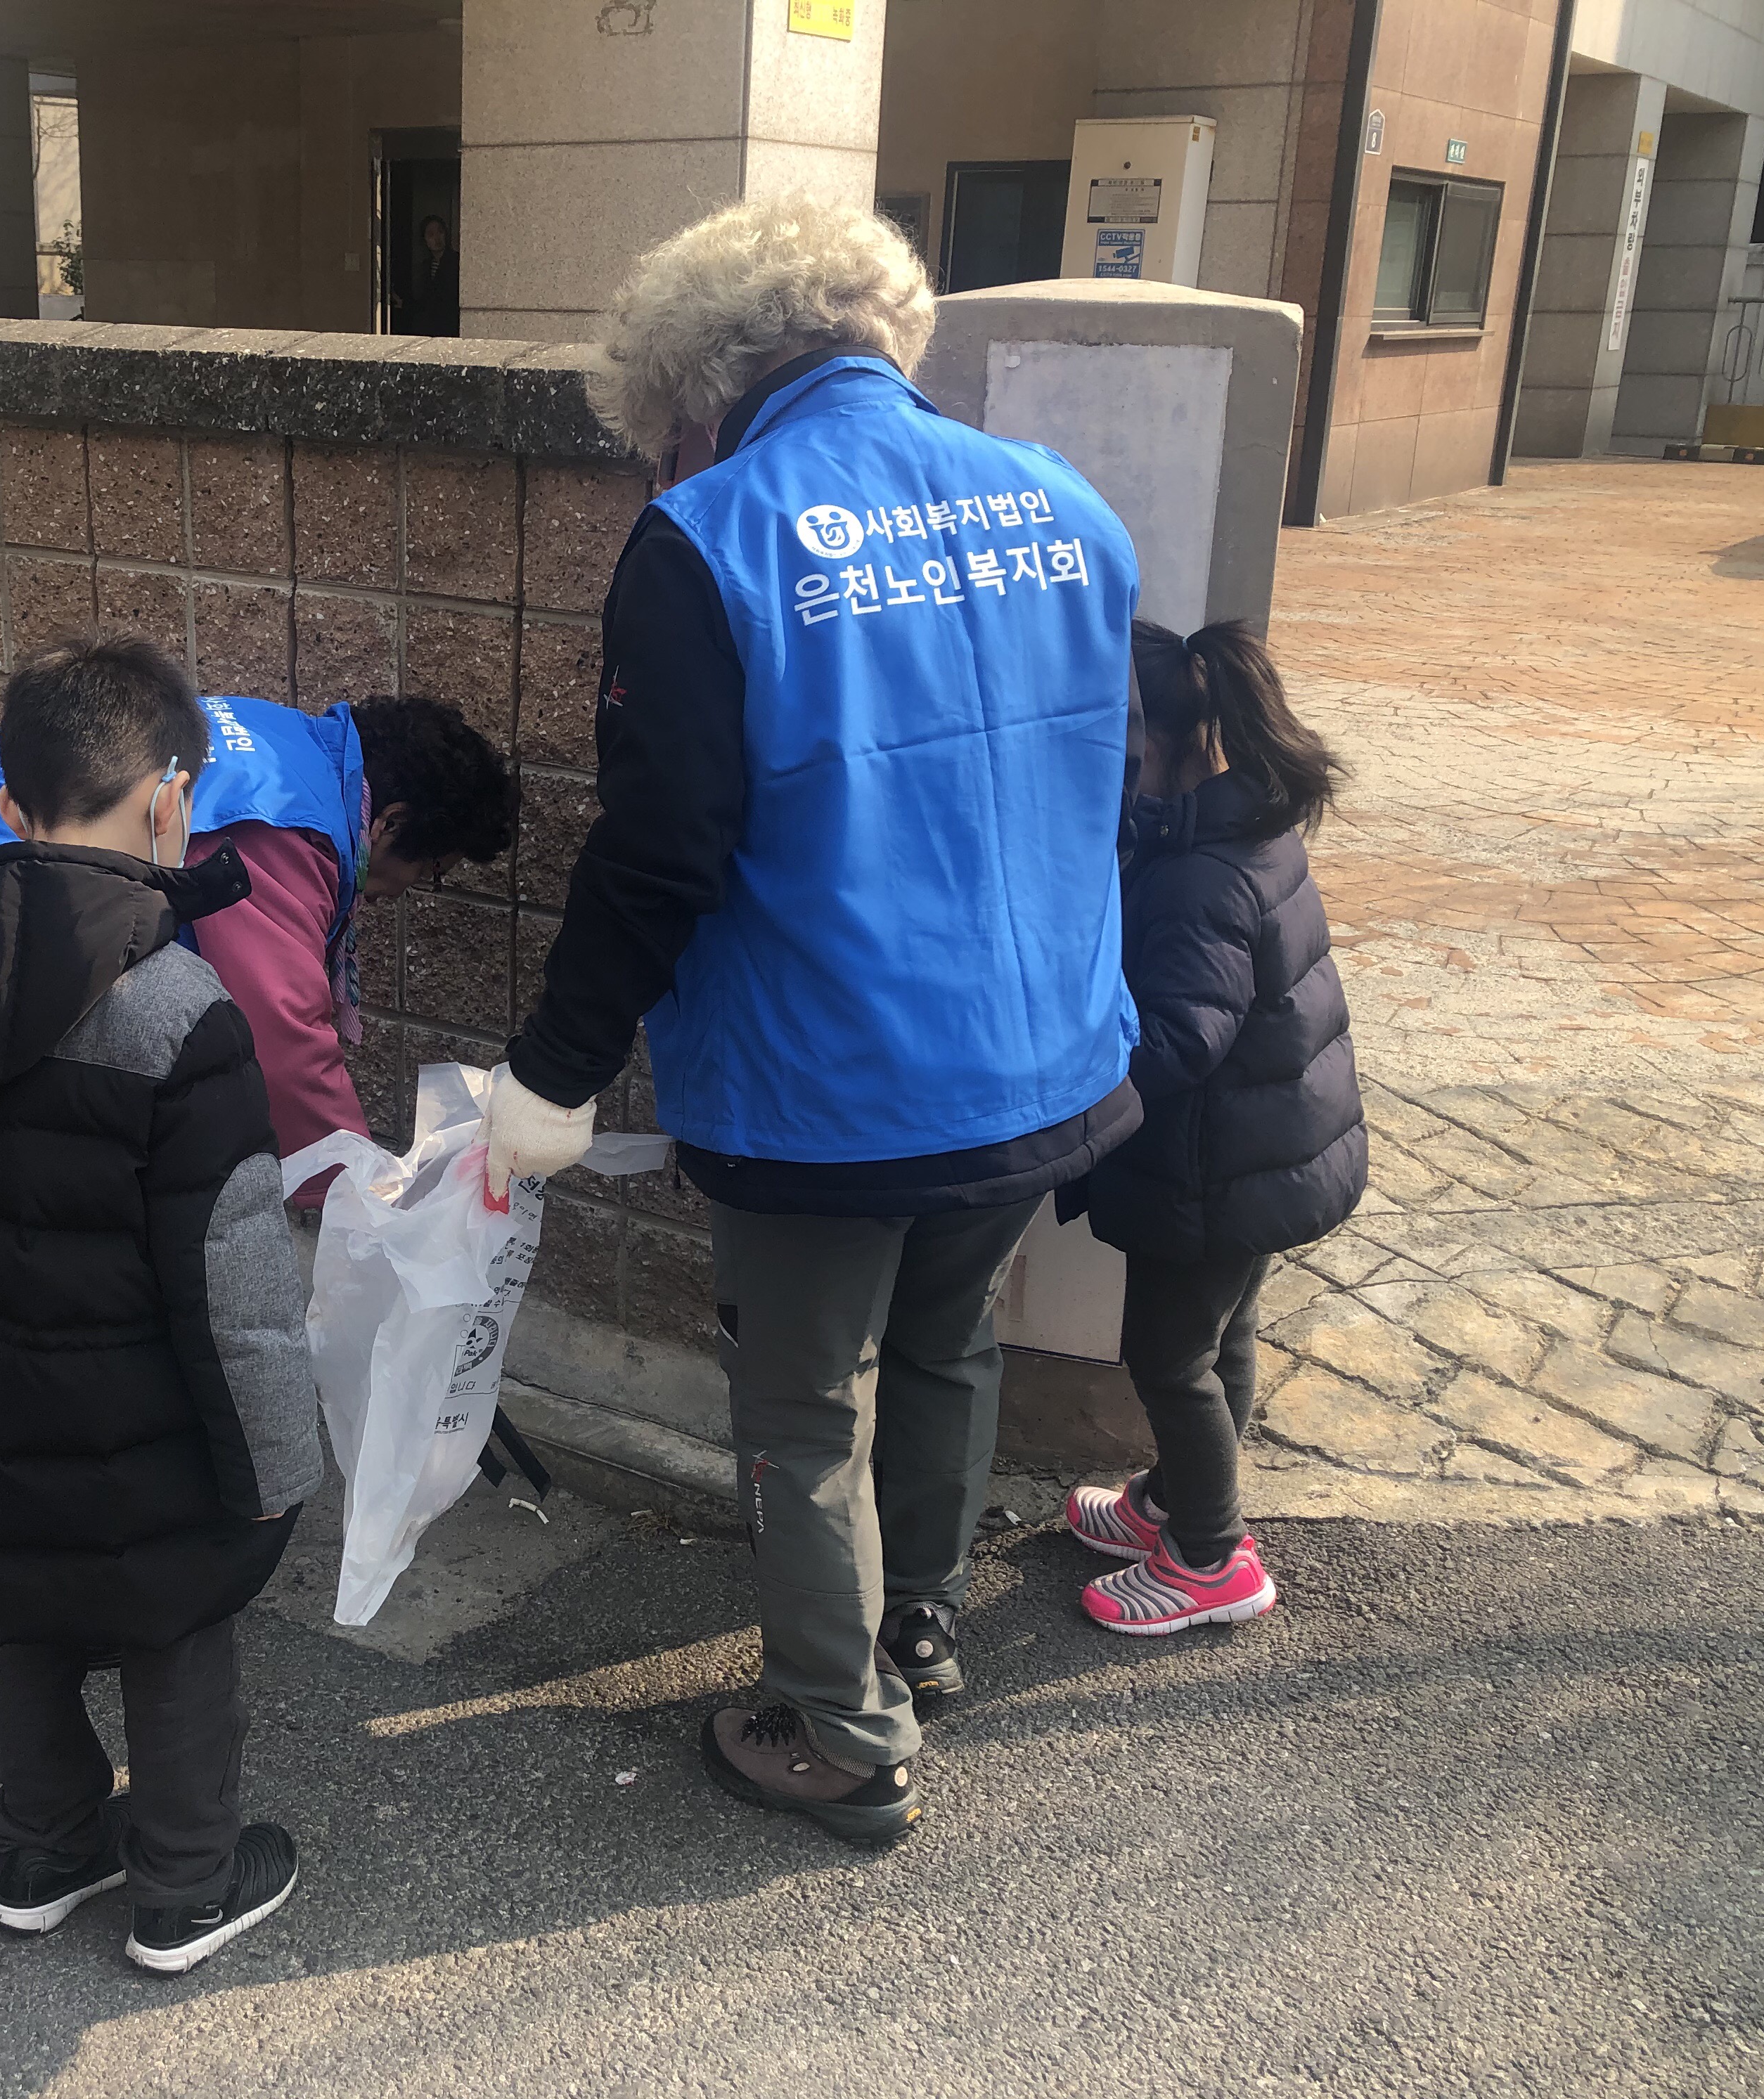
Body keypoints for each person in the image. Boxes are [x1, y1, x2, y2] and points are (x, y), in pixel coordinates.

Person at [476, 195, 1148, 1845]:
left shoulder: (711, 537)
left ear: (695, 387)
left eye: (661, 430)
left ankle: (842, 1735)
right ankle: (919, 1621)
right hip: (1045, 1055)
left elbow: (661, 850)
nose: (665, 457)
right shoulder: (1063, 503)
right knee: (948, 1338)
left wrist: (552, 1073)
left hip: (831, 1081)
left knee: (804, 1398)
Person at [0, 636, 324, 1976]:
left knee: (22, 1605)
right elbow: (235, 1277)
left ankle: (43, 1847)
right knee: (173, 1618)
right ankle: (185, 1881)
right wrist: (276, 1463)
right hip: (145, 1417)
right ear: (172, 799)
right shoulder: (178, 1008)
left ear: (10, 806)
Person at [0, 691, 513, 1177]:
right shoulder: (282, 822)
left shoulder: (288, 745)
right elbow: (281, 1038)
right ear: (389, 822)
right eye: (431, 870)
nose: (406, 891)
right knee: (17, 1195)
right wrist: (362, 1190)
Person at [1060, 620, 1367, 1634]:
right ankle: (1178, 1502)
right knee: (1220, 1338)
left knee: (1169, 1358)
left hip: (1212, 1163)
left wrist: (1074, 1084)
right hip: (1262, 1152)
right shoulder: (1239, 821)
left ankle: (1210, 1557)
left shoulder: (1201, 871)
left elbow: (1184, 1037)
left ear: (1150, 743)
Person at [397, 214, 459, 337]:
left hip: (450, 327)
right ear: (425, 240)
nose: (437, 238)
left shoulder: (456, 261)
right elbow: (425, 300)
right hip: (429, 329)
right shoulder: (426, 266)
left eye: (440, 232)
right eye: (431, 234)